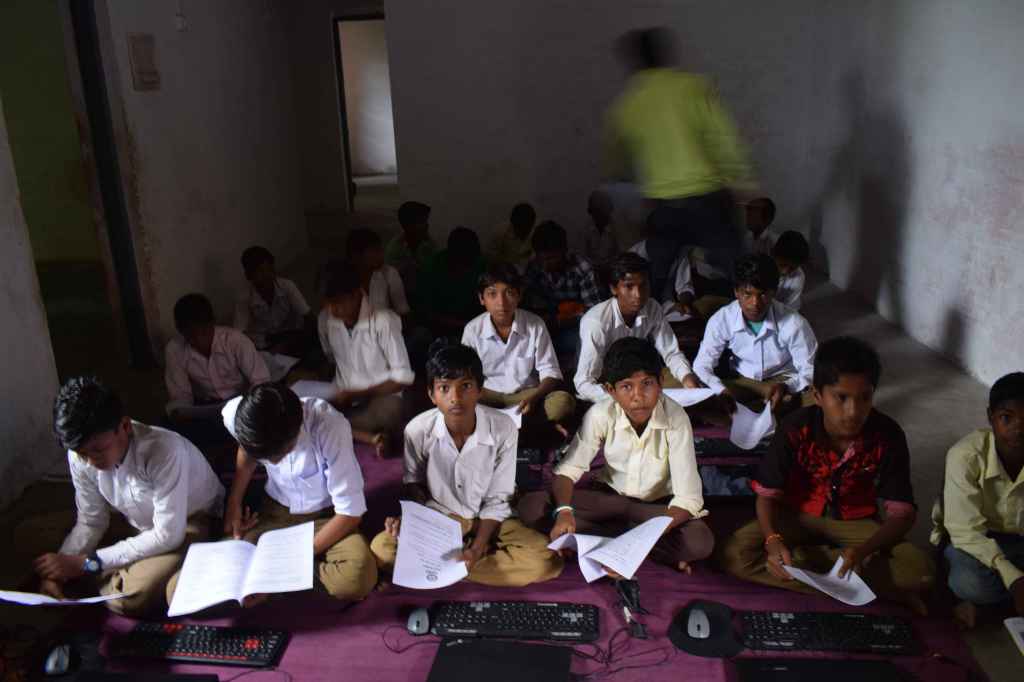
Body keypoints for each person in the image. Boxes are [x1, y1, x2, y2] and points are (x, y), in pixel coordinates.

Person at [718, 337, 935, 613]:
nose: (853, 411)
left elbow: (902, 514)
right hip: (797, 514)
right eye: (841, 398)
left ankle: (812, 569)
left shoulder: (887, 434)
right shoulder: (795, 428)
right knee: (734, 555)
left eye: (864, 398)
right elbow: (766, 495)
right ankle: (854, 582)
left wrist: (864, 551)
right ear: (818, 396)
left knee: (921, 572)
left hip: (855, 522)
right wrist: (773, 540)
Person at [18, 377, 224, 617]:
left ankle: (101, 576)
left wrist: (85, 564)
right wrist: (59, 570)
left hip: (189, 521)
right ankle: (103, 575)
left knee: (131, 596)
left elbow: (167, 535)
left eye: (97, 450)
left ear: (125, 426)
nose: (89, 461)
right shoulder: (80, 454)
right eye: (81, 453)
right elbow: (91, 520)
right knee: (27, 534)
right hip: (133, 522)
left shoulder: (164, 450)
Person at [369, 341, 563, 587]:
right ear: (431, 394)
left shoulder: (503, 427)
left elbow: (498, 499)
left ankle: (445, 567)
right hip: (440, 516)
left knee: (546, 560)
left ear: (480, 390)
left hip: (493, 519)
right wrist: (408, 518)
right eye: (444, 388)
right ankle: (466, 566)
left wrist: (478, 546)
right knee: (382, 550)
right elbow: (414, 486)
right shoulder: (417, 431)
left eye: (466, 386)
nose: (455, 398)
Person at [519, 337, 714, 575]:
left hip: (656, 509)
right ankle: (637, 548)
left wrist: (633, 543)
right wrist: (564, 512)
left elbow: (688, 499)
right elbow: (567, 471)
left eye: (647, 384)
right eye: (626, 386)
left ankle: (608, 545)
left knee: (699, 541)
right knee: (532, 506)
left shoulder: (676, 418)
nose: (638, 396)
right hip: (609, 500)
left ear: (661, 383)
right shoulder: (601, 414)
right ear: (610, 390)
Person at [605, 27, 753, 297]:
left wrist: (637, 195)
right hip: (707, 199)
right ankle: (757, 327)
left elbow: (617, 164)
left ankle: (645, 332)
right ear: (665, 55)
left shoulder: (627, 104)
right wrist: (740, 180)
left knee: (654, 281)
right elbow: (723, 136)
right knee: (741, 274)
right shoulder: (692, 86)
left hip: (663, 208)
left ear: (634, 62)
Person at [221, 384, 377, 603]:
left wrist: (281, 570)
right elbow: (246, 451)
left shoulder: (329, 425)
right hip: (276, 511)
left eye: (279, 453)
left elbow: (350, 513)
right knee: (231, 556)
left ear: (297, 429)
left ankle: (274, 577)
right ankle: (280, 573)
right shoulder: (237, 413)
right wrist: (234, 503)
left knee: (358, 576)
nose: (272, 461)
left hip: (328, 516)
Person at [931, 372, 1024, 625]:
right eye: (1007, 418)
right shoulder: (965, 456)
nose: (1019, 429)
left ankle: (990, 612)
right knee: (970, 583)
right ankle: (1002, 607)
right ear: (990, 417)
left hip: (1018, 542)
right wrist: (1014, 579)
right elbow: (964, 531)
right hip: (969, 542)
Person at [461, 264, 575, 440]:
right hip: (488, 396)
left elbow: (550, 371)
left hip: (526, 396)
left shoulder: (535, 324)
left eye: (509, 293)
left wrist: (535, 397)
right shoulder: (472, 330)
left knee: (562, 403)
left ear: (519, 295)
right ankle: (536, 428)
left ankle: (505, 428)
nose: (501, 302)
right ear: (481, 298)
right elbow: (465, 378)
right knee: (460, 405)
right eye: (492, 294)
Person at [692, 254, 817, 415]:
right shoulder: (722, 319)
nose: (755, 303)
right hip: (742, 382)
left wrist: (788, 386)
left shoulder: (795, 323)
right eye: (747, 294)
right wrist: (721, 390)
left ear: (774, 292)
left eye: (763, 294)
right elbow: (702, 365)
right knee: (698, 393)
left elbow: (810, 369)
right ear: (736, 292)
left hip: (782, 380)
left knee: (816, 399)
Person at [574, 252, 700, 404]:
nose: (638, 294)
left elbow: (671, 353)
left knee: (688, 387)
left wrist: (687, 377)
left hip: (639, 379)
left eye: (643, 285)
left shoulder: (652, 307)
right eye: (629, 286)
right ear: (614, 289)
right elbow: (584, 382)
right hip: (609, 387)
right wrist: (620, 400)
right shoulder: (596, 322)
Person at [319, 269, 413, 457]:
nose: (332, 309)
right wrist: (330, 393)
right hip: (344, 397)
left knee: (391, 411)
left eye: (337, 302)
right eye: (328, 304)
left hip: (380, 398)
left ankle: (355, 433)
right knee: (309, 414)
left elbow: (402, 379)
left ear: (356, 295)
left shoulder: (383, 321)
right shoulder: (326, 320)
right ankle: (372, 437)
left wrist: (359, 392)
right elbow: (331, 360)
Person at [165, 293, 271, 445]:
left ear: (212, 324)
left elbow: (261, 381)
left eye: (203, 333)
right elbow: (181, 397)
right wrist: (180, 411)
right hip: (206, 407)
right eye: (190, 336)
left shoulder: (235, 341)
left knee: (259, 423)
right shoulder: (174, 349)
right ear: (181, 332)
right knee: (170, 431)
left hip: (241, 403)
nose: (199, 341)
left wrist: (248, 404)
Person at [523, 220, 605, 360]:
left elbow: (596, 314)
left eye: (551, 258)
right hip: (545, 326)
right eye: (542, 259)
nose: (546, 264)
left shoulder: (582, 269)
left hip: (576, 327)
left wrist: (560, 321)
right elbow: (528, 302)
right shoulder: (535, 266)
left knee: (583, 341)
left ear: (564, 251)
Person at [233, 246, 313, 355]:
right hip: (262, 344)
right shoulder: (244, 298)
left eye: (270, 270)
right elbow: (238, 335)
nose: (267, 276)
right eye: (260, 272)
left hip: (289, 338)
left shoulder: (287, 286)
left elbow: (308, 316)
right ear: (249, 276)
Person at [413, 226, 488, 337]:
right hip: (440, 328)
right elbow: (426, 312)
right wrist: (463, 325)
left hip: (476, 324)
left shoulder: (481, 264)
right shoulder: (433, 268)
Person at [346, 228, 411, 317]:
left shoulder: (389, 274)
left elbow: (403, 311)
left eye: (380, 249)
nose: (380, 254)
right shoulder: (342, 281)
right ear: (356, 256)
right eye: (374, 250)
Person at [385, 200, 436, 290]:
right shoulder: (395, 249)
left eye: (426, 221)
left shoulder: (428, 243)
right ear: (409, 226)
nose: (427, 225)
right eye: (422, 222)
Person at [767, 230, 809, 311]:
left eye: (792, 268)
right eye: (782, 265)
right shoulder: (763, 265)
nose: (785, 271)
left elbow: (787, 309)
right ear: (773, 254)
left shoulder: (799, 277)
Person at [491, 202, 537, 273]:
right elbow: (491, 259)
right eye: (520, 228)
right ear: (513, 224)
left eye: (528, 228)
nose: (524, 232)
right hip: (505, 272)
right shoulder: (500, 234)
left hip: (530, 272)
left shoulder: (536, 233)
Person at [582, 190, 620, 268]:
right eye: (597, 211)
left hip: (612, 269)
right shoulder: (584, 229)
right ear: (590, 212)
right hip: (590, 271)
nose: (601, 215)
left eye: (603, 210)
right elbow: (581, 255)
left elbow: (622, 255)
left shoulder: (618, 228)